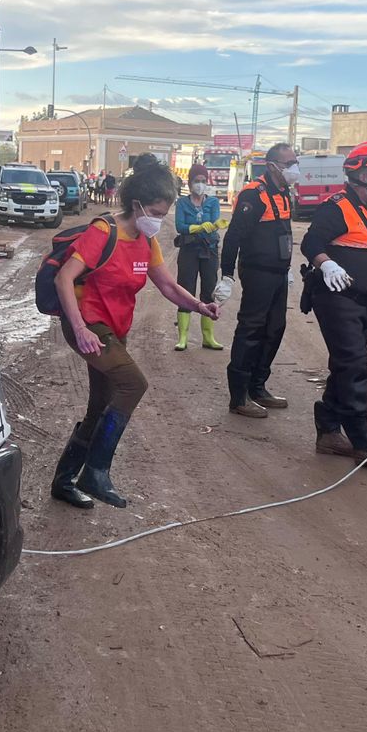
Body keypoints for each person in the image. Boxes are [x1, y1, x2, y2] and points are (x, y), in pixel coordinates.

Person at [52, 155, 220, 509]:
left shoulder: (147, 240)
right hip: (88, 325)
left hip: (114, 330)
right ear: (137, 204)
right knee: (134, 383)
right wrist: (80, 329)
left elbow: (169, 287)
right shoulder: (103, 232)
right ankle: (95, 471)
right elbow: (64, 277)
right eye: (156, 213)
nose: (159, 221)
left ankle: (64, 482)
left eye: (163, 214)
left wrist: (199, 306)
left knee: (100, 406)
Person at [300, 141, 367, 466]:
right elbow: (311, 241)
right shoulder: (337, 206)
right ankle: (362, 441)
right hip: (337, 299)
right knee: (354, 365)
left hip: (365, 302)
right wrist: (326, 263)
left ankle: (328, 430)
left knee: (345, 366)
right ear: (361, 175)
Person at [219, 142, 299, 416]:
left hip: (278, 273)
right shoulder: (254, 194)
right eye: (289, 163)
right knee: (251, 330)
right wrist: (227, 274)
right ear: (273, 165)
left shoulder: (285, 192)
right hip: (257, 273)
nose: (294, 168)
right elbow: (234, 236)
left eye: (294, 161)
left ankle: (258, 386)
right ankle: (239, 397)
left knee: (274, 328)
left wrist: (287, 267)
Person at [173, 165, 226, 352]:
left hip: (209, 251)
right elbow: (180, 225)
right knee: (185, 290)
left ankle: (208, 336)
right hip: (189, 250)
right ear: (190, 182)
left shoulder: (213, 202)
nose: (200, 184)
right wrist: (198, 228)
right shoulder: (182, 203)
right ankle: (182, 337)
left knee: (209, 291)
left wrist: (209, 226)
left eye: (203, 181)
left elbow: (216, 222)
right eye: (197, 181)